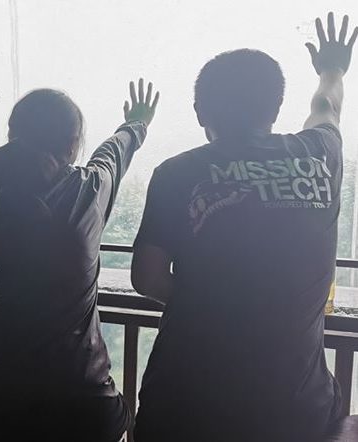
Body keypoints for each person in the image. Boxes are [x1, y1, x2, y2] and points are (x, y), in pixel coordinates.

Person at [131, 13, 355, 441]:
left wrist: (214, 304)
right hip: (293, 411)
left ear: (200, 111)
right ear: (275, 107)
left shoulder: (177, 173)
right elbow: (327, 107)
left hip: (186, 403)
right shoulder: (319, 155)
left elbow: (146, 276)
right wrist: (332, 69)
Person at [0, 81, 159, 441]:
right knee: (113, 417)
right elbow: (112, 154)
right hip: (80, 397)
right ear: (72, 145)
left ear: (12, 134)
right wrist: (136, 124)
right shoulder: (88, 188)